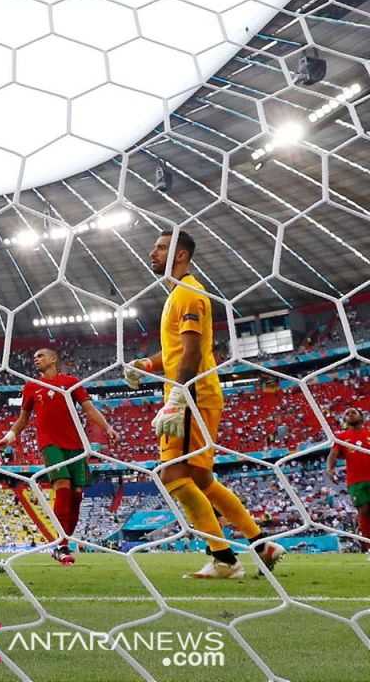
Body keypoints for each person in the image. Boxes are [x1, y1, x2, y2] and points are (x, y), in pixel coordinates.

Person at [125, 230, 285, 579]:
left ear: (180, 256)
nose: (152, 252)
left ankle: (225, 560)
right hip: (198, 392)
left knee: (172, 476)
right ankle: (262, 545)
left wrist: (177, 397)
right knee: (201, 477)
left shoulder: (188, 293)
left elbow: (193, 352)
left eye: (161, 247)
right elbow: (177, 351)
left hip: (191, 394)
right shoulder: (177, 295)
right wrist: (147, 365)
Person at [0, 347, 118, 565]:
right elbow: (23, 419)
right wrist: (8, 437)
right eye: (34, 357)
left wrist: (107, 427)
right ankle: (61, 546)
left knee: (77, 495)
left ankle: (64, 543)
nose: (36, 359)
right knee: (62, 484)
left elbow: (89, 408)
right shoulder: (31, 387)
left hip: (77, 444)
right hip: (50, 444)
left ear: (53, 359)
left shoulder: (71, 382)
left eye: (40, 355)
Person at [327, 408, 370, 556]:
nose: (350, 415)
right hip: (356, 480)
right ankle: (367, 545)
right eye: (347, 414)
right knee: (364, 511)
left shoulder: (369, 433)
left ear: (361, 417)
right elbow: (333, 454)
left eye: (353, 412)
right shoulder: (341, 437)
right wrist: (330, 469)